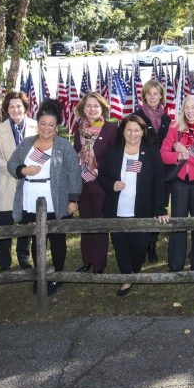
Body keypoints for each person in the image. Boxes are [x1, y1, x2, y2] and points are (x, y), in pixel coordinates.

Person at [8, 99, 81, 296]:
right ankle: (40, 275)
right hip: (30, 198)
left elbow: (75, 173)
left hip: (55, 198)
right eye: (42, 124)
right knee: (36, 239)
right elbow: (11, 164)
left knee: (57, 240)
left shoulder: (64, 146)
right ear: (37, 123)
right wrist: (24, 169)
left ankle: (57, 275)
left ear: (56, 126)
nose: (46, 128)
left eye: (51, 125)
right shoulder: (27, 144)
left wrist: (73, 200)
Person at [99, 115, 170, 296]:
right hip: (117, 208)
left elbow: (159, 181)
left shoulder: (151, 151)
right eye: (129, 129)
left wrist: (160, 208)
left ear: (142, 131)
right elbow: (102, 175)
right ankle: (127, 276)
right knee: (121, 245)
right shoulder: (114, 150)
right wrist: (111, 184)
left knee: (140, 245)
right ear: (123, 131)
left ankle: (135, 269)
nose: (132, 134)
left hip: (142, 208)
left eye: (136, 130)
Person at [160, 95, 194, 272]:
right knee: (178, 224)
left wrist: (186, 152)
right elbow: (163, 154)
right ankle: (176, 264)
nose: (190, 111)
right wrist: (178, 156)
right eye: (187, 107)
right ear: (183, 110)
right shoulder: (174, 127)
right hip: (180, 183)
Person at [0, 91, 37, 272]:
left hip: (30, 186)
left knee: (25, 226)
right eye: (11, 106)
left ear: (25, 108)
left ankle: (24, 259)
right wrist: (18, 170)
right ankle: (4, 263)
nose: (15, 110)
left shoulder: (35, 126)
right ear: (6, 109)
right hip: (6, 184)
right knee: (5, 228)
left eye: (19, 106)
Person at [73, 92, 118, 274]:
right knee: (86, 223)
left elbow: (114, 156)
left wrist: (100, 170)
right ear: (83, 109)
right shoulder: (78, 128)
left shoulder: (111, 129)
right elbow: (76, 152)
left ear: (103, 108)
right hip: (82, 183)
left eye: (96, 106)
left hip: (101, 183)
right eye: (88, 106)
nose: (92, 109)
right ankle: (87, 261)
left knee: (100, 224)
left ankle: (99, 265)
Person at [134, 79, 171, 262]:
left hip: (163, 170)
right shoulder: (137, 117)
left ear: (161, 96)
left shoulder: (167, 118)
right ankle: (142, 241)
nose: (152, 97)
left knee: (159, 205)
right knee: (144, 206)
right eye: (149, 93)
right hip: (143, 170)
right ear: (144, 96)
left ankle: (152, 243)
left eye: (156, 93)